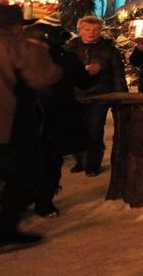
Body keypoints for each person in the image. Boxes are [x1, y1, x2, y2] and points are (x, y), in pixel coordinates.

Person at [0, 4, 62, 248]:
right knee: (24, 175)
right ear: (15, 26)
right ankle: (5, 231)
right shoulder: (16, 46)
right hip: (9, 124)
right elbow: (45, 77)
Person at [22, 17, 90, 219]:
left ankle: (33, 199)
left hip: (38, 117)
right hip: (54, 116)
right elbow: (83, 82)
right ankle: (42, 201)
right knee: (49, 160)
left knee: (38, 160)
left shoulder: (25, 56)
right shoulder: (63, 59)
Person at [64, 15, 128, 176]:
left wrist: (121, 96)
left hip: (100, 95)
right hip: (75, 95)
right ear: (80, 31)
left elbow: (117, 73)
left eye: (95, 30)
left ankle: (92, 163)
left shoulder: (108, 49)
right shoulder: (70, 48)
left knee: (95, 130)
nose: (91, 33)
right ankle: (79, 160)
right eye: (87, 30)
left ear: (100, 31)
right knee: (74, 129)